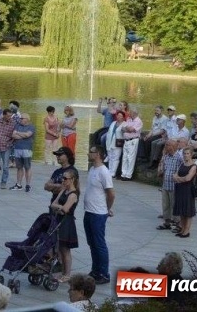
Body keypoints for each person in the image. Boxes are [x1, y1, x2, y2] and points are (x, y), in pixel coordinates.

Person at [83, 145, 114, 285]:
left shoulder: (104, 172)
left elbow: (111, 194)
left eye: (92, 151)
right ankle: (95, 270)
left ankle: (104, 273)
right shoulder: (92, 169)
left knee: (99, 244)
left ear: (98, 154)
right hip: (88, 212)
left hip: (98, 214)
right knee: (92, 243)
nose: (89, 153)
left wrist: (108, 208)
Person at [50, 168, 79, 282]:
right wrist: (60, 208)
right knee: (59, 248)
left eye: (65, 178)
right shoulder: (64, 190)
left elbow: (66, 209)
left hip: (67, 223)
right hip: (59, 220)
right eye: (62, 178)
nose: (63, 180)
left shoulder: (73, 194)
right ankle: (63, 272)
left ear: (72, 180)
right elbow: (53, 204)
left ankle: (67, 274)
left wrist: (59, 208)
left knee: (65, 249)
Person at [156, 140, 181, 232]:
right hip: (166, 184)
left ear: (173, 146)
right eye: (166, 145)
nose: (166, 147)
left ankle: (178, 224)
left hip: (175, 186)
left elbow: (180, 171)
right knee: (165, 204)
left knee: (175, 205)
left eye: (168, 145)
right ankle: (167, 222)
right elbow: (165, 169)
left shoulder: (179, 157)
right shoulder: (166, 156)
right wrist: (161, 172)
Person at [172, 147, 197, 238]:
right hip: (179, 189)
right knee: (181, 210)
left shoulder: (193, 166)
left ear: (191, 154)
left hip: (188, 190)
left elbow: (188, 178)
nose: (186, 155)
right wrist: (180, 179)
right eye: (184, 153)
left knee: (188, 211)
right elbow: (174, 175)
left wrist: (178, 179)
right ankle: (182, 229)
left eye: (187, 153)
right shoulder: (182, 164)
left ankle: (187, 231)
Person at [10, 112, 36, 192]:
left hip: (27, 149)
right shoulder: (17, 125)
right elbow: (13, 135)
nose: (20, 119)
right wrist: (22, 135)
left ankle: (28, 185)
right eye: (20, 118)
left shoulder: (31, 127)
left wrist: (18, 133)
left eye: (22, 118)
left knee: (27, 167)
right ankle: (18, 184)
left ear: (27, 119)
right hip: (17, 149)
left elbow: (28, 135)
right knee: (19, 167)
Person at [119, 107, 143, 180]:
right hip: (126, 140)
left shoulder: (138, 121)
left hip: (133, 141)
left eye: (131, 112)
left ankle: (128, 175)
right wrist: (127, 129)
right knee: (125, 157)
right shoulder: (129, 119)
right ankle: (123, 174)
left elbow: (132, 129)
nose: (129, 113)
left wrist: (127, 129)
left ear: (135, 113)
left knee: (130, 158)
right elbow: (122, 128)